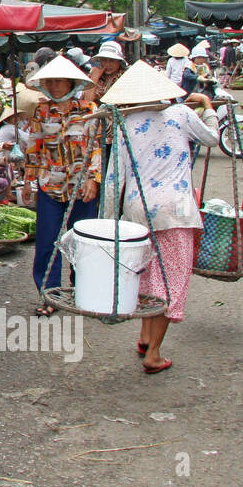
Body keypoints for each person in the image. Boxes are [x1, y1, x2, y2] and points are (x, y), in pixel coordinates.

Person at [101, 62, 219, 373]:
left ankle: (143, 337)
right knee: (171, 281)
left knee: (148, 275)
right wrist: (208, 107)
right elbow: (212, 139)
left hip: (138, 211)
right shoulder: (181, 114)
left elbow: (114, 178)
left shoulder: (124, 123)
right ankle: (153, 353)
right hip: (175, 213)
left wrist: (109, 222)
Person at [21, 56, 102, 314]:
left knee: (84, 242)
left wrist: (94, 178)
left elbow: (96, 147)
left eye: (59, 81)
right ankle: (50, 296)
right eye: (50, 81)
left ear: (70, 83)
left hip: (82, 186)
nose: (55, 86)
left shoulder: (90, 110)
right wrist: (28, 181)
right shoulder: (41, 112)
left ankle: (84, 293)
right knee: (47, 243)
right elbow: (34, 148)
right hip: (50, 186)